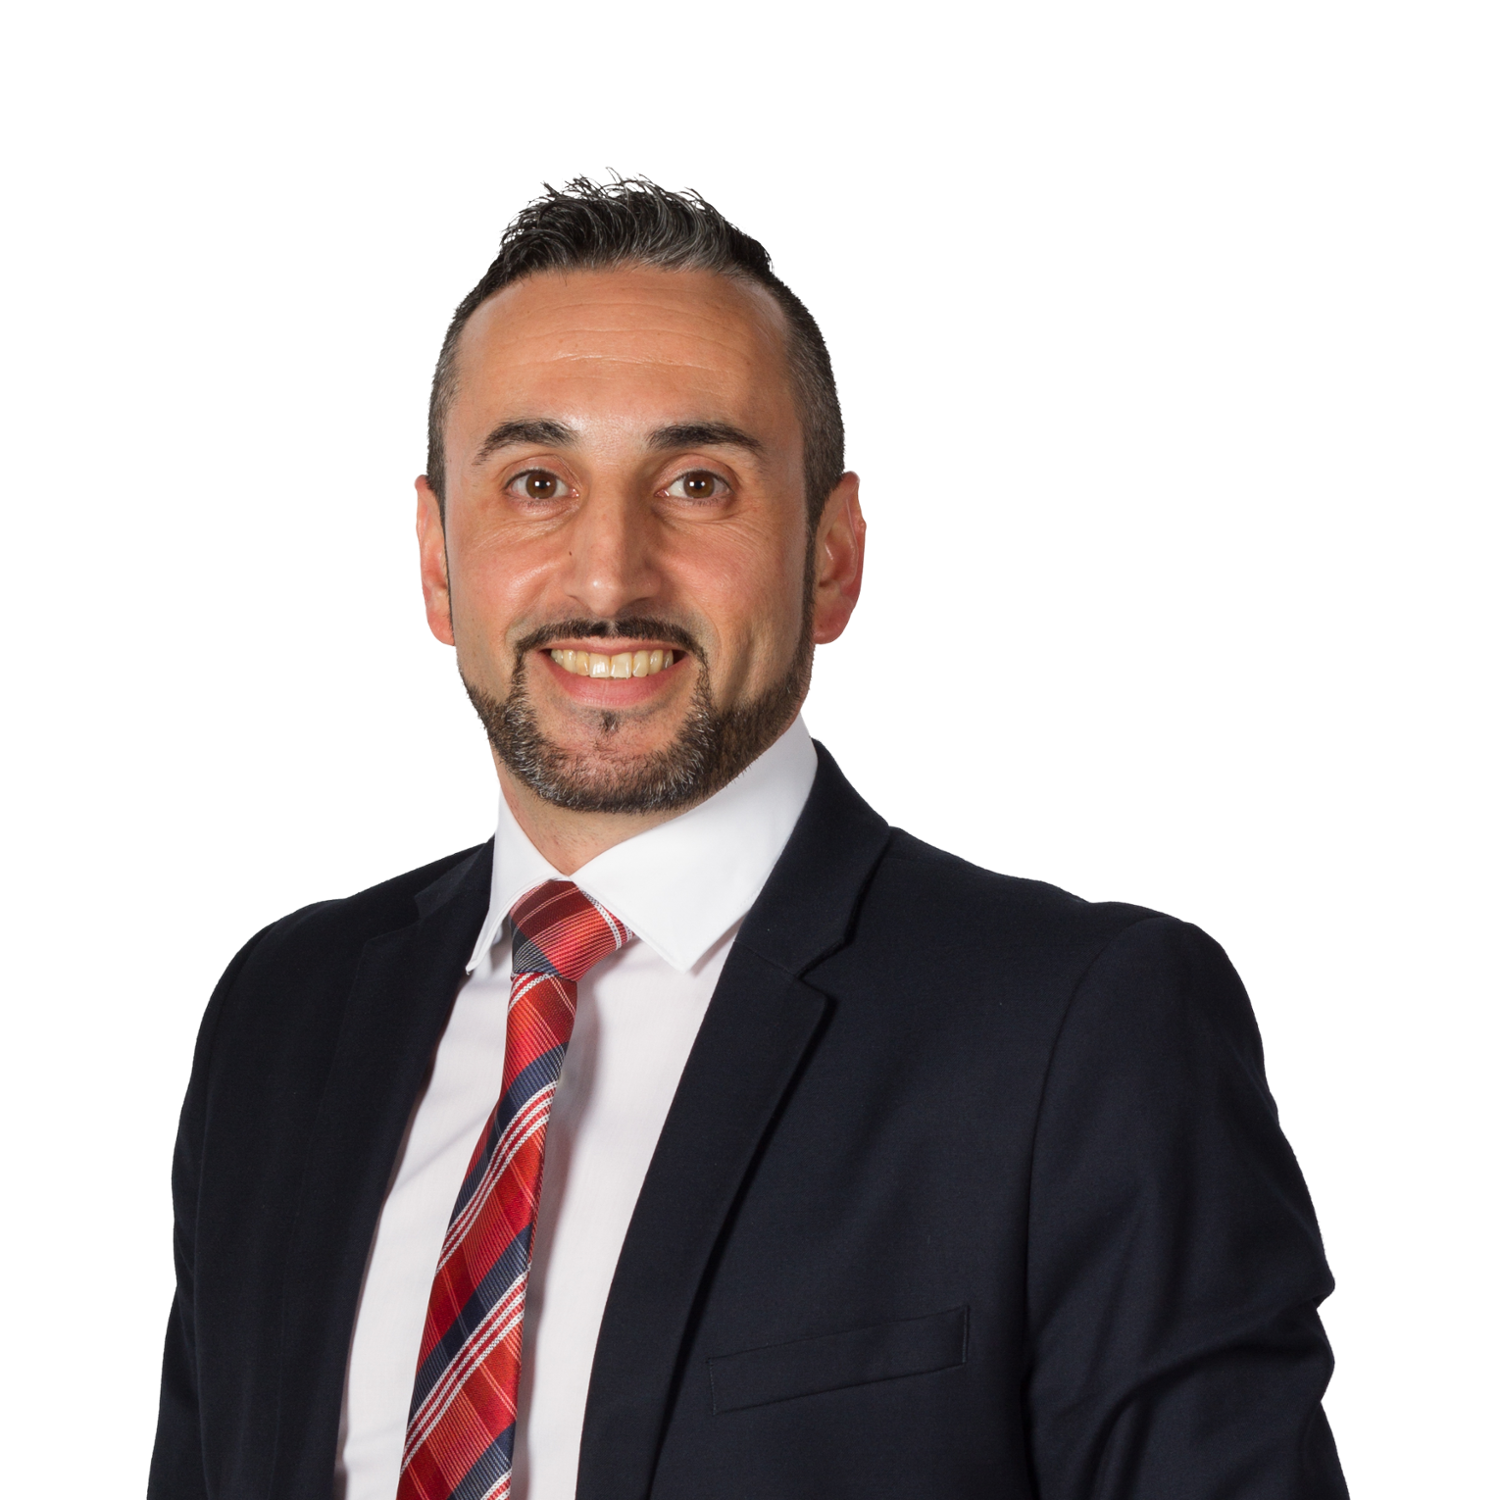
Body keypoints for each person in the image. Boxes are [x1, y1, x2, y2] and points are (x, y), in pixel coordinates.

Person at [149, 176, 1346, 1500]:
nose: (609, 574)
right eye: (537, 482)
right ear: (437, 560)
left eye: (697, 483)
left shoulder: (1085, 1031)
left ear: (833, 558)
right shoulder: (284, 1015)